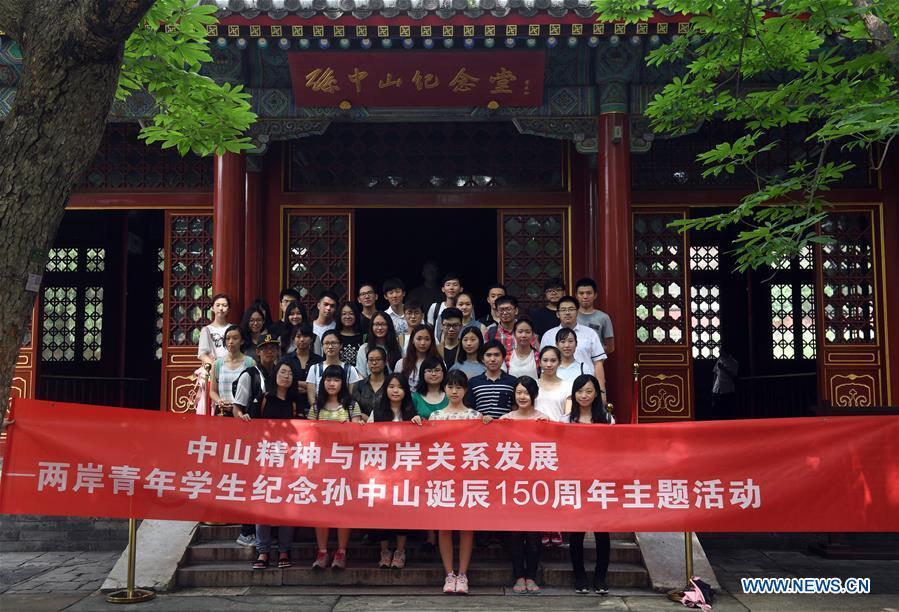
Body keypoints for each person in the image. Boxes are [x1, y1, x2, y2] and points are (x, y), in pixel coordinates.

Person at [429, 369, 492, 594]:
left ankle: (463, 574)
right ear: (444, 388)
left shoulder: (475, 416)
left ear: (465, 390)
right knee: (444, 528)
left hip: (467, 479)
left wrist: (488, 423)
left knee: (466, 527)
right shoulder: (435, 416)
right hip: (443, 478)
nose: (454, 391)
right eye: (450, 386)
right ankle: (449, 574)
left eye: (458, 387)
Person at [308, 365, 364, 570]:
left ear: (343, 383)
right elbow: (308, 434)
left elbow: (357, 435)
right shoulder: (316, 407)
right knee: (320, 510)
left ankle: (341, 551)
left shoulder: (352, 406)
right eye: (328, 380)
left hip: (345, 467)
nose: (332, 384)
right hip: (321, 467)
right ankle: (322, 551)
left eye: (337, 380)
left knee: (342, 508)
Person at [365, 373, 422, 569]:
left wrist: (418, 423)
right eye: (391, 387)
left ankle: (400, 551)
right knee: (381, 512)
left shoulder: (411, 413)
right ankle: (384, 550)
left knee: (402, 512)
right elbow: (367, 437)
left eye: (399, 387)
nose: (395, 391)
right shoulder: (377, 412)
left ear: (406, 390)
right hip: (381, 472)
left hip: (405, 473)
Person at [231, 331, 281, 548]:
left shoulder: (281, 373)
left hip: (277, 441)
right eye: (265, 348)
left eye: (273, 348)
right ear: (258, 352)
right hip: (255, 440)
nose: (269, 351)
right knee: (254, 484)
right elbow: (237, 408)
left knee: (273, 483)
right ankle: (247, 531)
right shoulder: (249, 375)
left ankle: (271, 528)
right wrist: (243, 421)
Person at [252, 361, 302, 570]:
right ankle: (263, 550)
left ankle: (284, 550)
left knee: (286, 506)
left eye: (290, 373)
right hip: (265, 459)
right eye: (283, 372)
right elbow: (251, 425)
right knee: (263, 506)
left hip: (289, 460)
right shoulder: (263, 399)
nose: (286, 376)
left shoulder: (295, 402)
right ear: (275, 375)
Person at [501, 376, 548, 594]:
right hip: (512, 485)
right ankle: (519, 576)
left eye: (526, 393)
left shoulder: (543, 419)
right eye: (519, 392)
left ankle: (532, 576)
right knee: (515, 533)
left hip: (536, 485)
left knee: (533, 533)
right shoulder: (505, 419)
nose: (522, 396)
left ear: (534, 395)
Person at [567, 374, 614, 595]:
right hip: (575, 482)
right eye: (579, 391)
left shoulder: (607, 419)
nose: (584, 395)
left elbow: (615, 448)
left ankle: (600, 577)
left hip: (600, 482)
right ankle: (579, 576)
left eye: (588, 391)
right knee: (576, 532)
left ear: (596, 394)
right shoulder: (565, 420)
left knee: (602, 532)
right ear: (574, 394)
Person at [540, 295, 607, 399]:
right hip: (555, 391)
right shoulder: (548, 335)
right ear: (557, 314)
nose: (567, 313)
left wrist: (602, 391)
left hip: (584, 391)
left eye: (571, 309)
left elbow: (598, 363)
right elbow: (543, 365)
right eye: (563, 310)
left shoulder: (590, 333)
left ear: (577, 311)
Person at [305, 330, 362, 408]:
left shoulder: (350, 369)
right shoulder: (314, 369)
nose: (330, 347)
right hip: (320, 411)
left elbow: (352, 396)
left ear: (341, 345)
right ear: (322, 346)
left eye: (334, 343)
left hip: (344, 412)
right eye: (327, 343)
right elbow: (311, 397)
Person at [208, 324, 255, 416]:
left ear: (242, 341)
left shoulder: (250, 363)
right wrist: (219, 401)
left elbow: (253, 390)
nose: (231, 342)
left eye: (235, 338)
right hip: (222, 411)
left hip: (242, 412)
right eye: (227, 338)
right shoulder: (217, 364)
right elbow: (213, 391)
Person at [465, 341, 518, 419]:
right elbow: (469, 409)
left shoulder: (513, 381)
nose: (492, 359)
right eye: (488, 355)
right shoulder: (473, 382)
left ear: (503, 358)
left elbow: (515, 409)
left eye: (496, 355)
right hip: (480, 425)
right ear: (482, 359)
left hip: (505, 426)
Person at [280, 322, 322, 418]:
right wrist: (310, 387)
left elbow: (322, 385)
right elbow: (282, 383)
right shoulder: (285, 360)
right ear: (293, 339)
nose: (302, 340)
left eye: (305, 336)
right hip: (290, 406)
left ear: (311, 339)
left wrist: (295, 383)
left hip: (314, 407)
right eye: (298, 336)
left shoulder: (319, 361)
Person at [486, 295, 536, 368]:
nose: (505, 313)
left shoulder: (526, 331)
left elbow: (534, 353)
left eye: (508, 309)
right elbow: (486, 355)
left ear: (516, 311)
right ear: (497, 312)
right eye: (501, 310)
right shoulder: (490, 332)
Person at [355, 311, 403, 377]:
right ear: (372, 327)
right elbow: (361, 375)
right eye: (376, 324)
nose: (380, 328)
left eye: (383, 324)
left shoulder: (397, 347)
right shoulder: (364, 349)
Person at [575, 278, 615, 354]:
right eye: (581, 293)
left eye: (589, 293)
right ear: (576, 296)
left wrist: (594, 355)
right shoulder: (571, 316)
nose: (585, 296)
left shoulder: (604, 317)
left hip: (596, 360)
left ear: (595, 295)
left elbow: (610, 347)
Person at [535, 346, 572, 423]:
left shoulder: (568, 386)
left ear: (559, 362)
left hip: (558, 428)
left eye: (553, 360)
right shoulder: (533, 385)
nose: (549, 364)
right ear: (540, 362)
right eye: (545, 360)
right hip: (534, 429)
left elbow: (567, 416)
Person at [396, 324, 439, 390]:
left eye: (427, 339)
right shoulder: (401, 363)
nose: (423, 343)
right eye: (419, 339)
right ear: (412, 340)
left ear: (432, 341)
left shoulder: (438, 363)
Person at [351, 346, 388, 416]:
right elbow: (354, 409)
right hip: (363, 421)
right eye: (371, 360)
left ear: (385, 362)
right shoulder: (359, 385)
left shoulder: (391, 384)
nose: (374, 363)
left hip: (387, 421)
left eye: (378, 359)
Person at [198, 293, 231, 365]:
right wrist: (214, 366)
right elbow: (202, 354)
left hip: (231, 366)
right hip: (213, 367)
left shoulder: (232, 329)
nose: (221, 308)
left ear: (228, 309)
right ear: (212, 308)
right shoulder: (206, 330)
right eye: (218, 305)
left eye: (224, 305)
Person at [427, 273, 463, 339]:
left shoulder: (464, 309)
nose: (451, 288)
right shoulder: (435, 307)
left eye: (455, 285)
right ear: (443, 289)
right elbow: (429, 330)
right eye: (448, 285)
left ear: (461, 289)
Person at [712, 348, 739, 416]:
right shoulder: (719, 360)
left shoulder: (733, 362)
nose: (720, 354)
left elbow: (733, 376)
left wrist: (724, 369)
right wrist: (713, 387)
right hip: (717, 389)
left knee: (726, 410)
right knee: (716, 410)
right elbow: (715, 373)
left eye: (721, 352)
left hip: (727, 390)